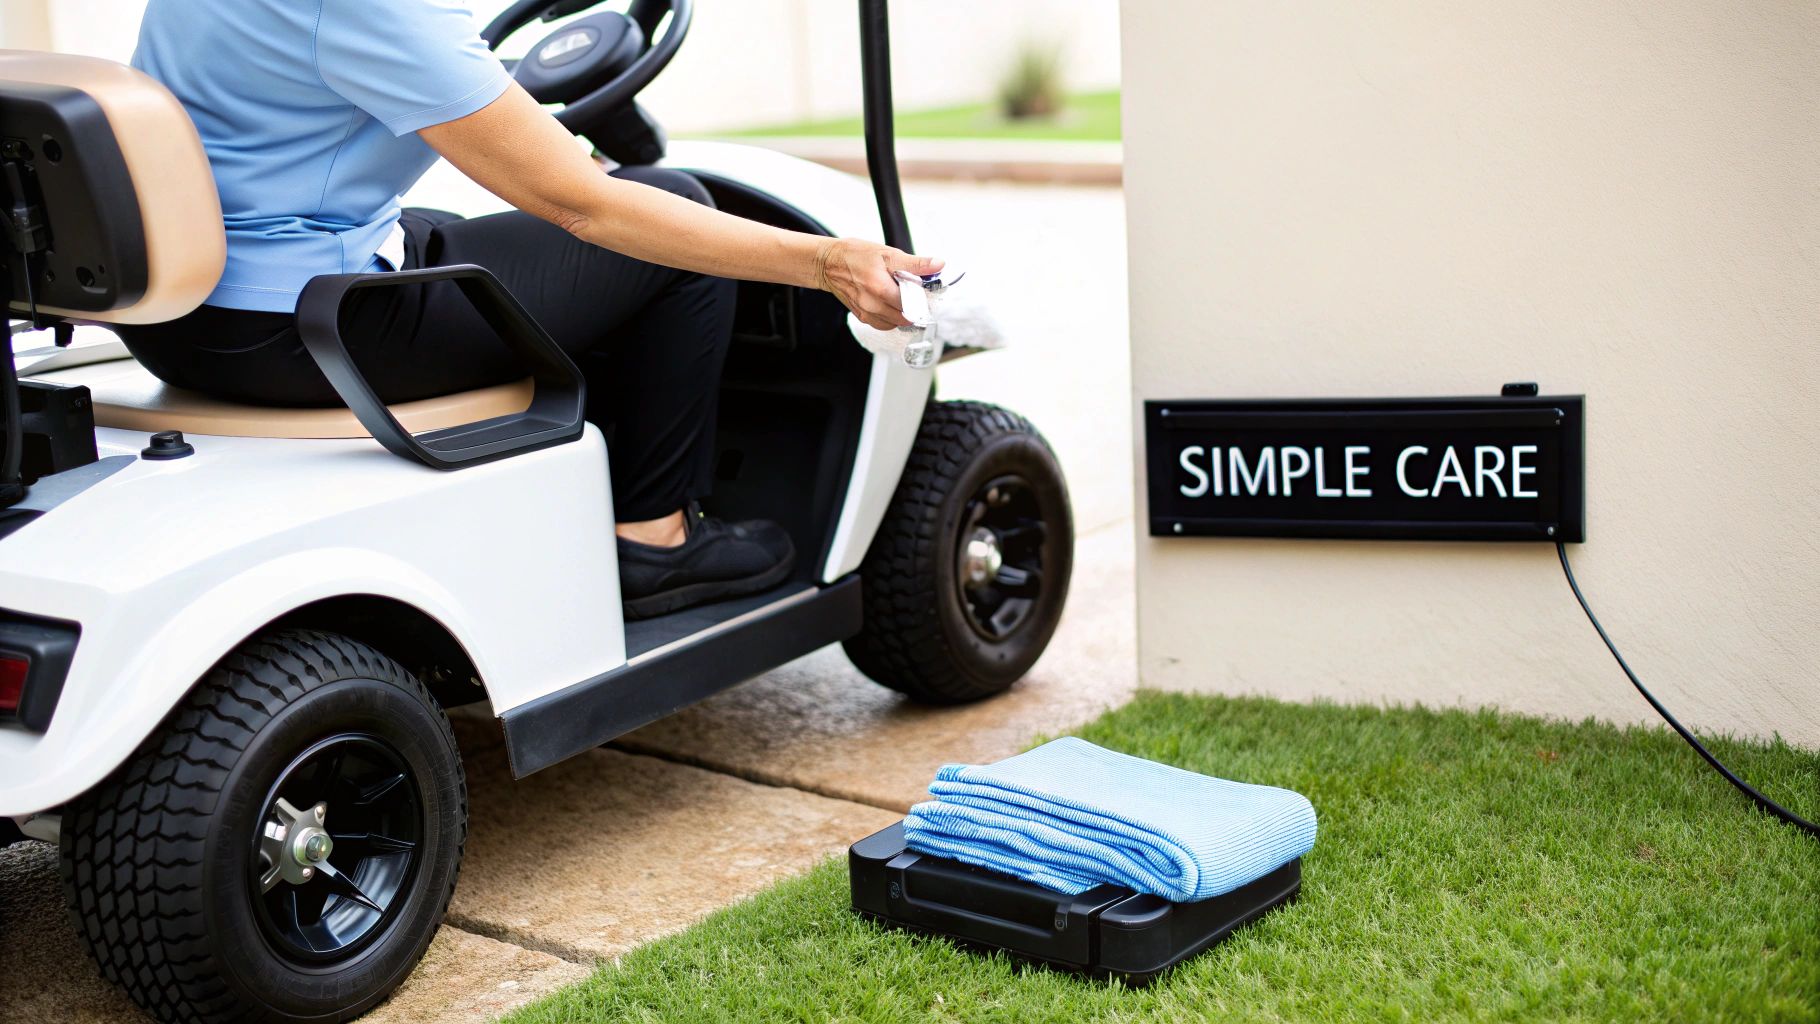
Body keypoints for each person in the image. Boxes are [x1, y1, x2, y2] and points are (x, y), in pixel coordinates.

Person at [117, 0, 939, 620]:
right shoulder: (379, 9)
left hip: (192, 311)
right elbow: (585, 206)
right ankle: (652, 541)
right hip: (301, 331)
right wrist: (827, 261)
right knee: (668, 222)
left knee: (483, 235)